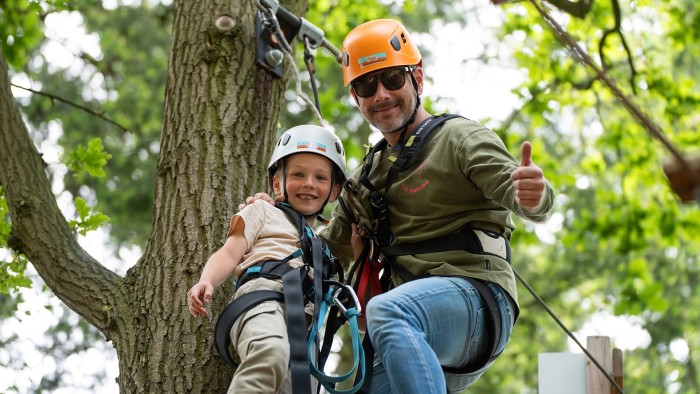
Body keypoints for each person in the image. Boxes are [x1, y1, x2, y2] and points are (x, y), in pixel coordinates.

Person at [321, 18, 555, 393]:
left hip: (476, 300)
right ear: (355, 97)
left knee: (389, 310)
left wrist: (534, 195)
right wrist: (269, 219)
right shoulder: (366, 178)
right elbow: (325, 250)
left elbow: (523, 196)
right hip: (409, 330)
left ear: (418, 78)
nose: (380, 94)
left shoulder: (459, 138)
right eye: (366, 85)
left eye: (393, 78)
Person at [186, 124, 347, 394]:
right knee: (270, 352)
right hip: (263, 297)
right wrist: (207, 280)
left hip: (306, 321)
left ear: (333, 190)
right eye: (298, 174)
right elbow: (229, 251)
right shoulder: (262, 210)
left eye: (321, 178)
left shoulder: (323, 249)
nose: (309, 183)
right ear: (276, 183)